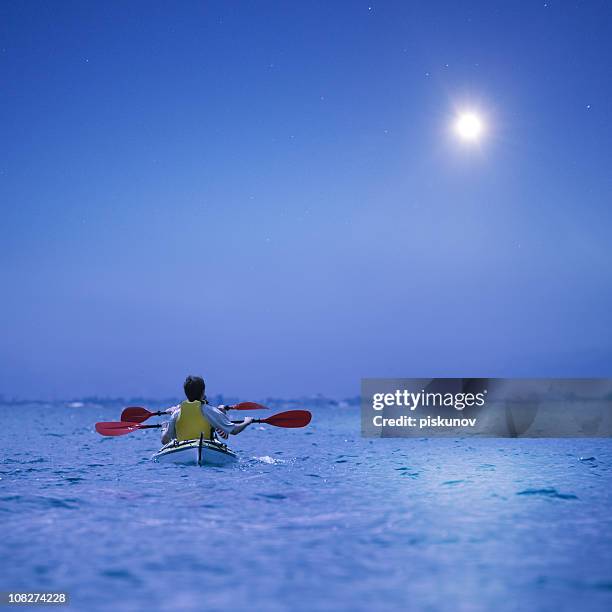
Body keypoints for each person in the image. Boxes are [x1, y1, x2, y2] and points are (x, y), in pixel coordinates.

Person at [160, 375, 253, 445]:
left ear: (186, 393)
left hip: (183, 447)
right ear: (203, 391)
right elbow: (234, 430)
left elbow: (165, 441)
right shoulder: (210, 411)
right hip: (207, 446)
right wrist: (247, 422)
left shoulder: (176, 413)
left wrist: (164, 428)